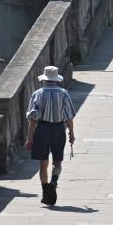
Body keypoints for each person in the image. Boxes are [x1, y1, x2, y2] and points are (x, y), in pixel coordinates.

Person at [25, 65, 76, 206]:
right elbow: (69, 117)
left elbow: (33, 119)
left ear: (44, 79)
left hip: (42, 130)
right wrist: (71, 133)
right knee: (57, 162)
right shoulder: (64, 93)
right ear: (56, 79)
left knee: (43, 163)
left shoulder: (37, 94)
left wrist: (30, 138)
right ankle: (54, 182)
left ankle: (45, 191)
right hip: (58, 129)